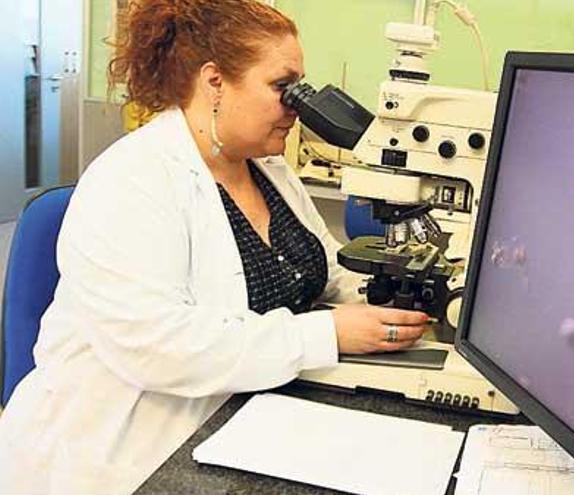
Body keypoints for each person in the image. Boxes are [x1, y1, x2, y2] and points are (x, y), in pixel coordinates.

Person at [0, 1, 429, 493]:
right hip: (123, 452)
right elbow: (160, 347)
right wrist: (324, 332)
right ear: (214, 82)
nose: (297, 107)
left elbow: (322, 269)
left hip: (243, 416)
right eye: (282, 87)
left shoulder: (268, 169)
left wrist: (400, 290)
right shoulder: (134, 178)